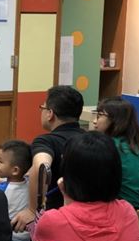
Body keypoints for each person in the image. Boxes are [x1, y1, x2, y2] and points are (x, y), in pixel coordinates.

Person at [12, 85, 85, 232]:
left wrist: (32, 210)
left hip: (59, 220)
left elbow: (41, 167)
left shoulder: (46, 141)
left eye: (43, 108)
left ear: (50, 113)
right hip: (92, 217)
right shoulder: (92, 139)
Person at [93, 97, 139, 210]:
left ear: (115, 120)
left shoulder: (109, 146)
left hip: (131, 209)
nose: (95, 121)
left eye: (99, 115)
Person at [0, 139, 33, 241]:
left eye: (0, 161)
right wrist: (2, 180)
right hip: (26, 237)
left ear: (15, 170)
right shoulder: (30, 183)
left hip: (9, 238)